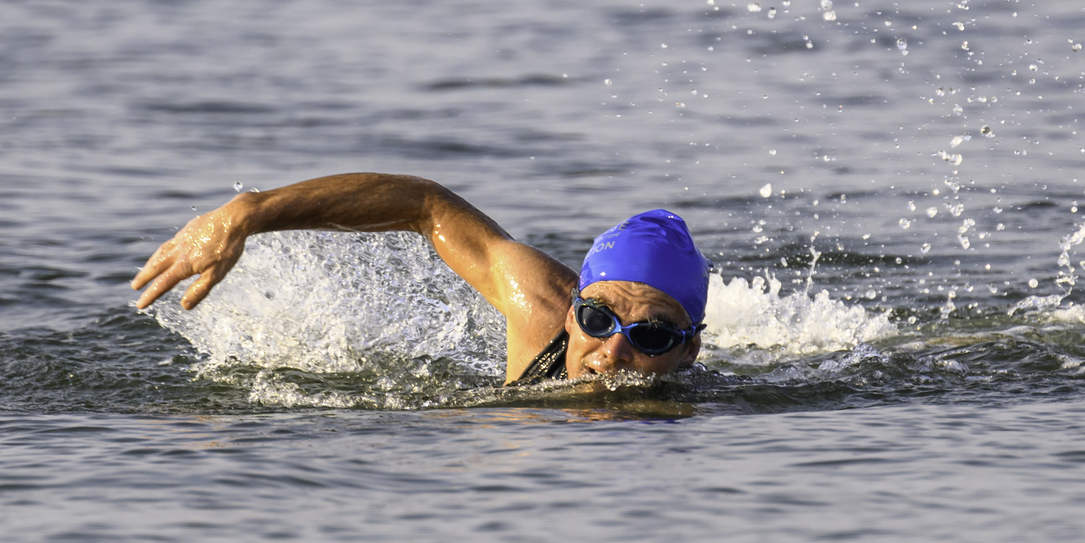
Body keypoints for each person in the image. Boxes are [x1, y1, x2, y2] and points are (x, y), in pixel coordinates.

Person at [131, 173, 710, 385]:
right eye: (597, 317)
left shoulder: (696, 415)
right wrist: (250, 213)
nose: (610, 351)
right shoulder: (540, 309)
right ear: (570, 309)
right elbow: (425, 206)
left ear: (690, 350)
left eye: (651, 336)